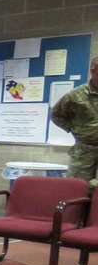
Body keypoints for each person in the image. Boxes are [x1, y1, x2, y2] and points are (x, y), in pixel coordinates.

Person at [50, 55, 98, 187]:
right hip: (84, 150)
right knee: (78, 187)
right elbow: (56, 115)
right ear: (93, 70)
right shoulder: (76, 95)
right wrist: (75, 129)